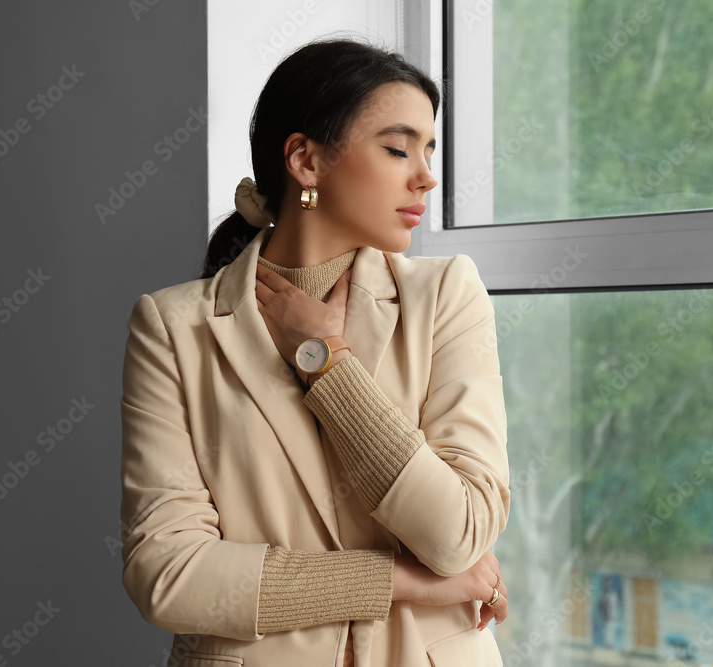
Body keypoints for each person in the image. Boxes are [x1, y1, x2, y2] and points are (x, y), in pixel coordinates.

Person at [119, 37, 510, 666]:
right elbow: (167, 574)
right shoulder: (173, 326)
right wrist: (400, 582)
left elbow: (458, 532)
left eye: (429, 149)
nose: (426, 175)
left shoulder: (447, 295)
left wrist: (326, 360)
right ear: (305, 159)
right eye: (397, 147)